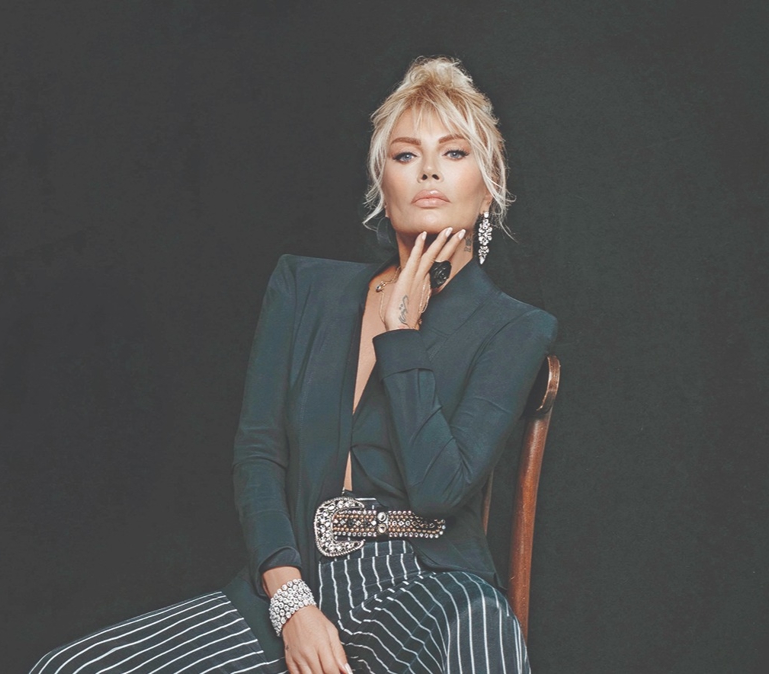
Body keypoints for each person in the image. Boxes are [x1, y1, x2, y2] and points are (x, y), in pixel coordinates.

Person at [29, 55, 556, 674]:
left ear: (488, 187)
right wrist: (290, 601)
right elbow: (259, 453)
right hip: (296, 581)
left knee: (484, 629)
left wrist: (402, 335)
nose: (429, 171)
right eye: (406, 155)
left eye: (455, 153)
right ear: (382, 185)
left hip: (424, 587)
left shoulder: (514, 327)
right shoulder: (305, 289)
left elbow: (440, 489)